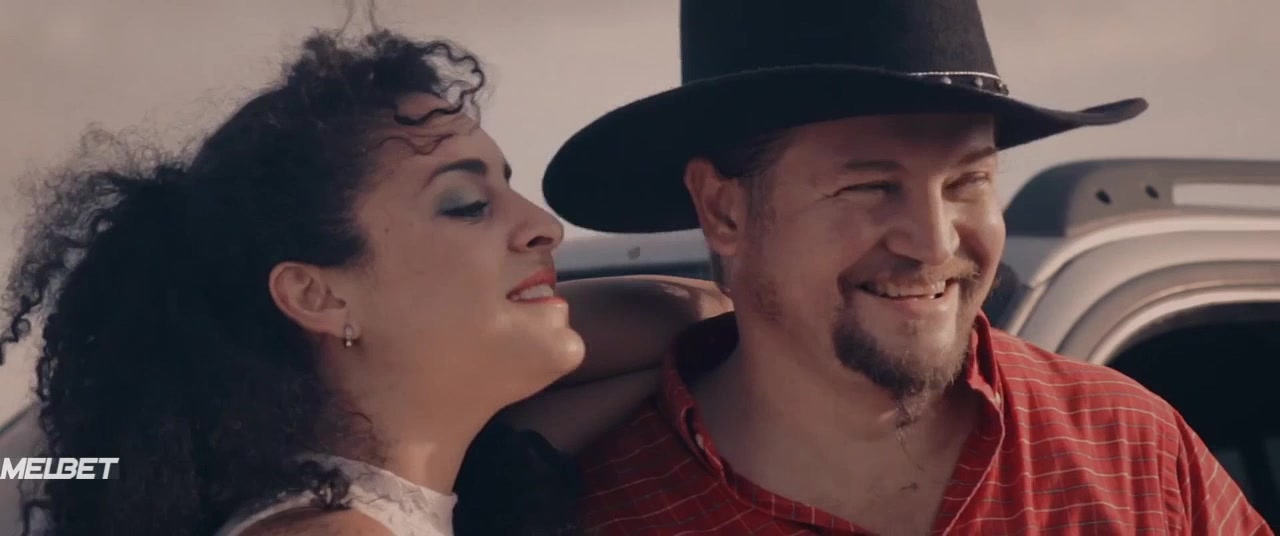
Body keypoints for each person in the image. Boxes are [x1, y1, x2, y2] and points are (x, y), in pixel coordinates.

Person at [541, 0, 1274, 534]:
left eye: (968, 181)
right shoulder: (589, 510)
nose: (933, 241)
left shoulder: (1131, 451)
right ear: (722, 210)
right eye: (869, 186)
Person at [0, 25, 728, 536]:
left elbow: (699, 314)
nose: (544, 226)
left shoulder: (408, 492)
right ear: (316, 295)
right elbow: (696, 316)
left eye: (508, 188)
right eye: (466, 205)